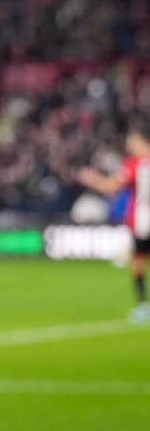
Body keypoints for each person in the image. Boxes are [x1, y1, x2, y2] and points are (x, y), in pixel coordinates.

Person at [77, 118, 150, 324]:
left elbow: (111, 187)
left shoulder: (134, 164)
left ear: (142, 141)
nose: (129, 145)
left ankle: (143, 306)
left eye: (132, 141)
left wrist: (91, 178)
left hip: (142, 223)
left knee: (138, 262)